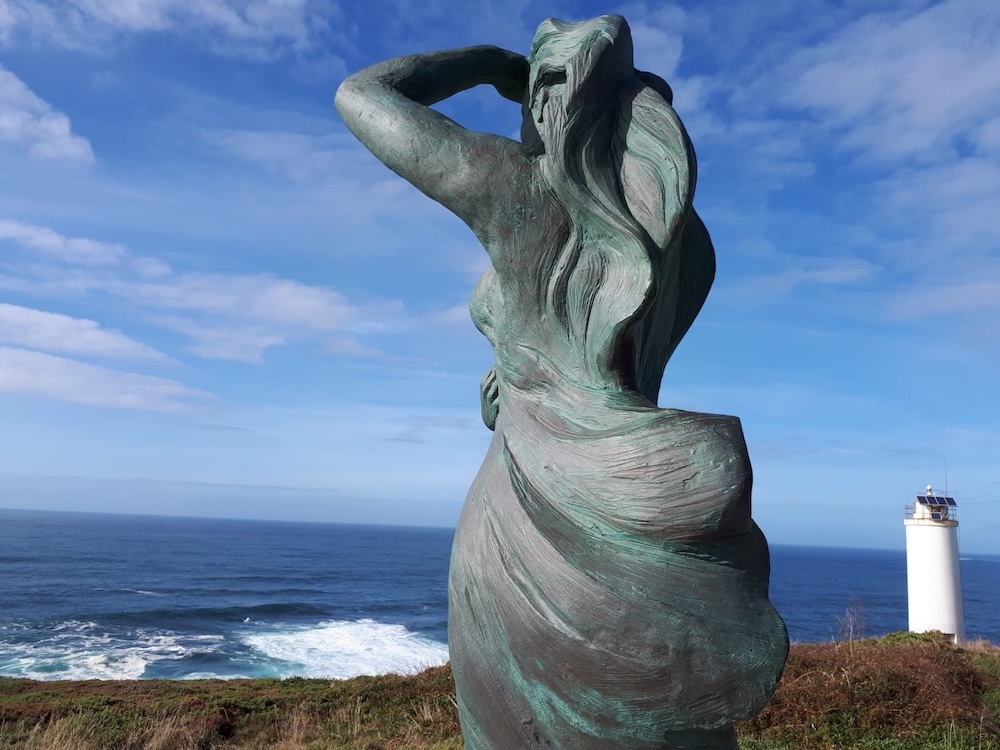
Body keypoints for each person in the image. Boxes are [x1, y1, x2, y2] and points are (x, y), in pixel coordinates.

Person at [337, 15, 787, 750]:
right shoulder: (680, 242)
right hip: (609, 492)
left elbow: (362, 95)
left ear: (546, 96)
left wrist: (487, 63)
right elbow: (603, 371)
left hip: (525, 519)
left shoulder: (519, 189)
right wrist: (518, 378)